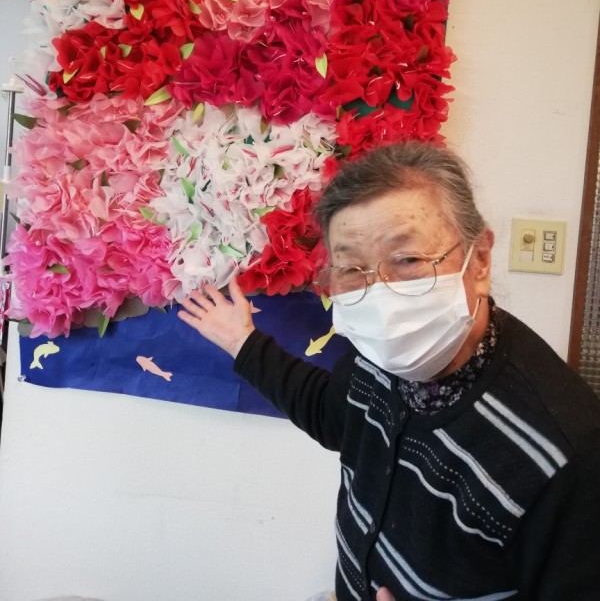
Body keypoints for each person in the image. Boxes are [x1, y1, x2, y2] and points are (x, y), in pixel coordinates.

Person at [178, 141, 600, 601]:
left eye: (409, 260)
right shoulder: (377, 358)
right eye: (350, 268)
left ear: (479, 259)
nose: (380, 297)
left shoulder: (566, 456)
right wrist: (242, 341)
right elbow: (336, 416)